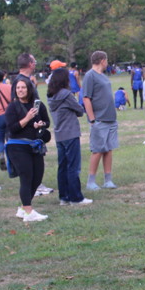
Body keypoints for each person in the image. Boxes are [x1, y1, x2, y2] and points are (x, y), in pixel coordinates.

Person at [5, 77, 51, 222]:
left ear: (29, 89)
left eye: (23, 87)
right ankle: (28, 211)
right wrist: (27, 118)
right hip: (17, 146)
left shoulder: (38, 105)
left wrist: (41, 124)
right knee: (26, 177)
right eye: (18, 88)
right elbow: (12, 128)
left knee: (37, 178)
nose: (20, 90)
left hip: (34, 146)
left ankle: (23, 209)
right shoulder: (12, 107)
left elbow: (47, 122)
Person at [46, 67, 92, 207]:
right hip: (71, 133)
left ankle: (64, 197)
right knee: (73, 166)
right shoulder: (66, 94)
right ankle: (76, 198)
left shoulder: (50, 95)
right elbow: (80, 110)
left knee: (63, 167)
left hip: (59, 134)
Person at [83, 51, 119, 190]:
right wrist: (92, 119)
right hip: (99, 119)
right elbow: (86, 98)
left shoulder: (103, 76)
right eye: (107, 60)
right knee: (97, 150)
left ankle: (108, 180)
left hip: (110, 118)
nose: (107, 62)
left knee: (108, 149)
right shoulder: (89, 76)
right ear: (102, 60)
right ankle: (91, 181)